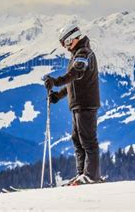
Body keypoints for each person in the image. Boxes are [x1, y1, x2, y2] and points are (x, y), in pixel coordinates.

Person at [44, 24, 101, 185]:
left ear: (73, 39)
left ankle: (91, 176)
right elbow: (73, 83)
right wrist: (58, 96)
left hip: (86, 105)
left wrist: (55, 81)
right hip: (78, 105)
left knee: (88, 140)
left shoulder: (84, 53)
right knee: (77, 139)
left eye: (66, 43)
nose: (65, 47)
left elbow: (76, 73)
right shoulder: (77, 53)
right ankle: (82, 174)